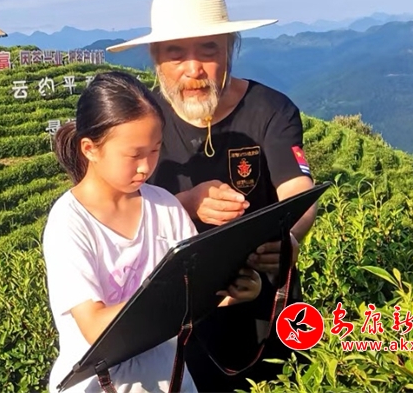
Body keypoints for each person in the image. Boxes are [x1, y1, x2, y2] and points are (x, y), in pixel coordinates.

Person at [106, 0, 318, 392]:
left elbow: (298, 190)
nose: (194, 69)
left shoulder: (270, 110)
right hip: (173, 323)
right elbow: (114, 211)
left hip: (266, 309)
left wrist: (287, 239)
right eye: (175, 54)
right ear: (156, 59)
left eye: (208, 50)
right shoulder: (141, 123)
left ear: (229, 49)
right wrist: (184, 204)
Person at [42, 70, 263, 393]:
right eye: (134, 155)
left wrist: (232, 290)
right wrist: (175, 297)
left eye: (155, 150)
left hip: (171, 382)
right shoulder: (70, 222)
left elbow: (195, 294)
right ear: (90, 148)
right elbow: (95, 327)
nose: (146, 166)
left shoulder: (165, 206)